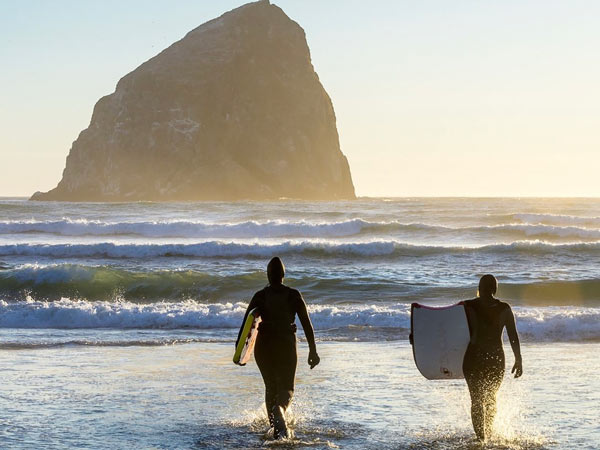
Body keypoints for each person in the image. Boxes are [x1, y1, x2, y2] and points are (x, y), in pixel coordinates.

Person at [236, 257, 320, 439]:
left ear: (268, 275)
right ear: (283, 275)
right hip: (285, 343)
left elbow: (246, 324)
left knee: (270, 386)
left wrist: (240, 351)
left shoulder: (260, 295)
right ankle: (280, 409)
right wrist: (313, 350)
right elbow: (306, 323)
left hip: (264, 345)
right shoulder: (293, 295)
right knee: (287, 387)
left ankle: (275, 429)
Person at [462, 274, 523, 442]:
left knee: (476, 400)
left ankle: (481, 439)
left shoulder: (467, 306)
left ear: (479, 289)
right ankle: (487, 435)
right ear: (495, 289)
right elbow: (513, 336)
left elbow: (444, 326)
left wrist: (419, 337)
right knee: (490, 399)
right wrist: (518, 359)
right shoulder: (504, 309)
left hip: (473, 358)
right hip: (495, 359)